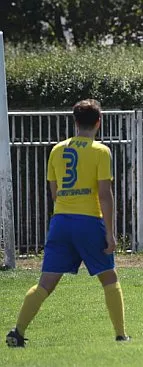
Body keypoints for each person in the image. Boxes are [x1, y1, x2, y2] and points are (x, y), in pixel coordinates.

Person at [6, 99, 129, 348]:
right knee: (109, 278)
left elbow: (55, 193)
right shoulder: (100, 151)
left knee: (45, 284)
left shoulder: (56, 150)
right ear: (99, 123)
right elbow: (105, 195)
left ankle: (17, 332)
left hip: (61, 222)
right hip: (89, 221)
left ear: (74, 122)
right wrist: (110, 233)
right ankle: (120, 334)